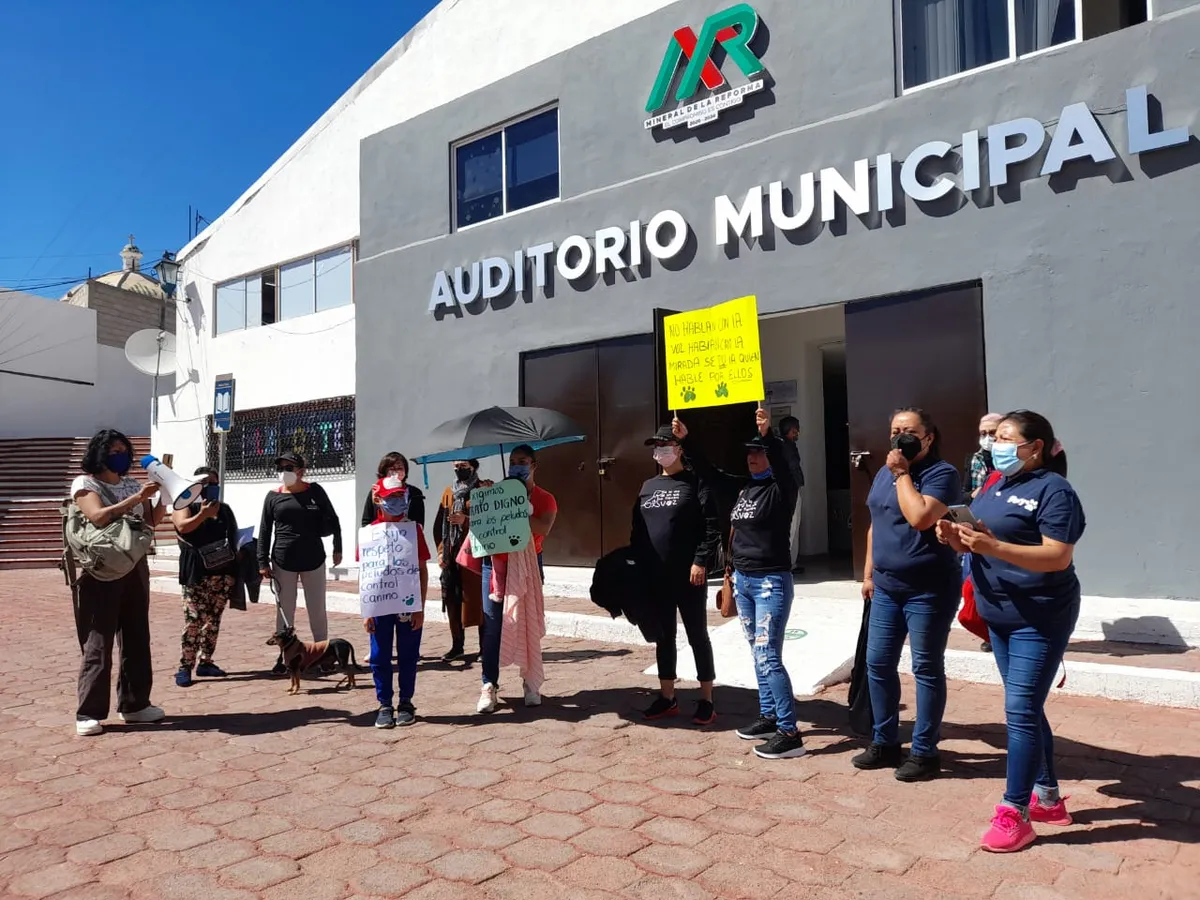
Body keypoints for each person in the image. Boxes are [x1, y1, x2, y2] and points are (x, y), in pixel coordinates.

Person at [937, 410, 1085, 853]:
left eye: (1004, 437)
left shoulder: (1055, 491)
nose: (995, 445)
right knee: (1028, 708)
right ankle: (1050, 800)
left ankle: (1014, 812)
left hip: (1039, 615)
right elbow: (984, 534)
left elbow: (1057, 556)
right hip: (997, 613)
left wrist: (992, 545)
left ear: (1034, 447)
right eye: (993, 437)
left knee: (1019, 710)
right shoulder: (995, 483)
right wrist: (959, 537)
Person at [687, 409, 803, 759]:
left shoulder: (782, 489)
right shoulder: (744, 488)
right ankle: (768, 715)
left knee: (769, 655)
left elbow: (783, 467)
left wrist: (769, 435)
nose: (753, 458)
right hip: (745, 581)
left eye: (760, 452)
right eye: (750, 453)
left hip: (771, 582)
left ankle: (789, 732)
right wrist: (685, 441)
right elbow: (709, 473)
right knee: (757, 651)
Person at [856, 408, 961, 781]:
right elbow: (875, 523)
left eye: (910, 431)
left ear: (928, 438)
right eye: (895, 430)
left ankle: (924, 751)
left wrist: (903, 473)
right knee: (878, 664)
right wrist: (868, 574)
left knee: (926, 668)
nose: (900, 437)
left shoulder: (941, 474)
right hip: (886, 587)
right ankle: (884, 742)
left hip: (928, 589)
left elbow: (920, 517)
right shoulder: (885, 472)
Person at [69, 429, 166, 736]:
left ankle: (135, 705)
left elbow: (150, 521)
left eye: (124, 449)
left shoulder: (132, 483)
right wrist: (137, 498)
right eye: (113, 450)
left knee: (137, 636)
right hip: (100, 570)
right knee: (99, 640)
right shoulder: (85, 484)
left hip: (135, 566)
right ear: (99, 452)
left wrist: (167, 496)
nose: (120, 454)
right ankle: (89, 712)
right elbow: (97, 516)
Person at [632, 423, 721, 725]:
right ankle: (667, 697)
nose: (660, 451)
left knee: (698, 635)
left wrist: (700, 561)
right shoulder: (647, 486)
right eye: (656, 446)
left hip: (689, 576)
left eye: (666, 444)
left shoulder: (695, 483)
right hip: (657, 576)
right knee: (664, 637)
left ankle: (707, 698)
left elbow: (711, 526)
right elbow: (638, 532)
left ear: (679, 448)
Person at [477, 445, 557, 713]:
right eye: (512, 462)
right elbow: (479, 522)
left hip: (530, 564)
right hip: (496, 565)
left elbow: (543, 527)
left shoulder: (546, 498)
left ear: (534, 465)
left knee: (529, 624)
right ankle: (489, 685)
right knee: (491, 626)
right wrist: (486, 496)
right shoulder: (497, 492)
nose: (516, 466)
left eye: (522, 461)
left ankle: (530, 683)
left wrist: (518, 508)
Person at [258, 451, 342, 673]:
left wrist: (338, 547)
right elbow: (265, 529)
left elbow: (333, 518)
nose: (284, 472)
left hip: (313, 558)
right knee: (285, 610)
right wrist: (262, 561)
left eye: (289, 468)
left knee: (317, 610)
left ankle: (323, 655)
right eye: (281, 468)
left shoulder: (314, 491)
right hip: (283, 560)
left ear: (301, 471)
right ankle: (284, 657)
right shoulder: (273, 496)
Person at [363, 479, 429, 728]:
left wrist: (420, 607)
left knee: (408, 655)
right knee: (379, 655)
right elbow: (366, 573)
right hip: (379, 604)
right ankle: (384, 704)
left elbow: (422, 569)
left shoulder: (414, 530)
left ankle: (406, 702)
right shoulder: (369, 533)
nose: (397, 502)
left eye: (400, 496)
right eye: (391, 497)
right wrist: (366, 611)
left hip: (408, 603)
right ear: (378, 500)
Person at [172, 467, 239, 687]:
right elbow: (182, 527)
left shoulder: (225, 509)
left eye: (214, 483)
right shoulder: (184, 506)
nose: (210, 487)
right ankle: (185, 667)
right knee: (194, 622)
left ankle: (206, 662)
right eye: (205, 483)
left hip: (221, 572)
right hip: (195, 573)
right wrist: (203, 515)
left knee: (212, 621)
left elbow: (234, 536)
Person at [433, 458, 483, 661]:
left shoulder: (483, 489)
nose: (459, 469)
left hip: (474, 554)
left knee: (477, 601)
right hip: (452, 555)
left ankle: (484, 647)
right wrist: (441, 551)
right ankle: (457, 645)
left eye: (463, 466)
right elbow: (438, 526)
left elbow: (489, 521)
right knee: (452, 600)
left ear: (473, 467)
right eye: (456, 466)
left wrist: (466, 521)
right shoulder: (449, 492)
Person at [361, 451, 425, 528]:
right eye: (392, 469)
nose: (396, 472)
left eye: (400, 468)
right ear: (385, 471)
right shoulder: (374, 492)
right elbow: (366, 521)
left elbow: (419, 523)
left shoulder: (415, 493)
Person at [778, 415, 806, 575]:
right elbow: (792, 469)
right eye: (796, 429)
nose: (797, 433)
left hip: (789, 489)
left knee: (792, 526)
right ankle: (788, 563)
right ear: (790, 430)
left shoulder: (782, 445)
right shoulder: (787, 447)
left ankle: (790, 562)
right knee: (792, 525)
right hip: (790, 490)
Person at [965, 413, 1003, 500]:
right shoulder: (974, 458)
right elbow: (964, 492)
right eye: (983, 433)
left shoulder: (1009, 458)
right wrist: (972, 494)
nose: (987, 437)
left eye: (992, 432)